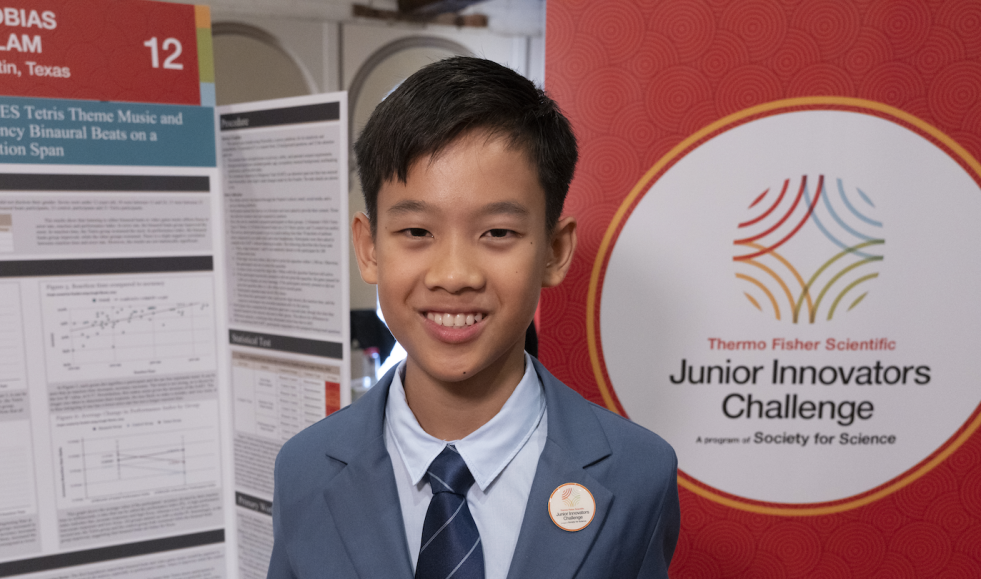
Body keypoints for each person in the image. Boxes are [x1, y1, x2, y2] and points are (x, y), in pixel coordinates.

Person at [267, 56, 679, 579]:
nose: (454, 275)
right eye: (417, 232)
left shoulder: (638, 472)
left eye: (498, 233)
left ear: (554, 251)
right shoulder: (303, 469)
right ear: (369, 248)